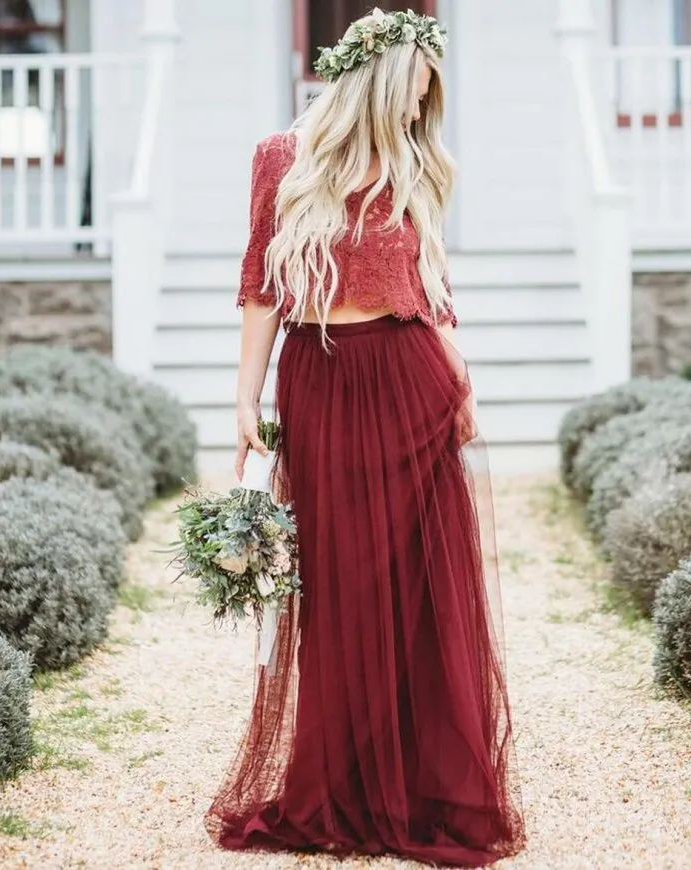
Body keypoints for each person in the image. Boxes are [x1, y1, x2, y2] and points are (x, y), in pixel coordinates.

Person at [204, 8, 526, 866]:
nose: (426, 107)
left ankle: (427, 785)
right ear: (383, 82)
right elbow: (260, 286)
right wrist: (245, 400)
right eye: (419, 89)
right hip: (318, 384)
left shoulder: (416, 164)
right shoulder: (282, 158)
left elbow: (432, 288)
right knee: (341, 584)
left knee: (419, 590)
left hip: (409, 378)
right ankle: (341, 786)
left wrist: (461, 380)